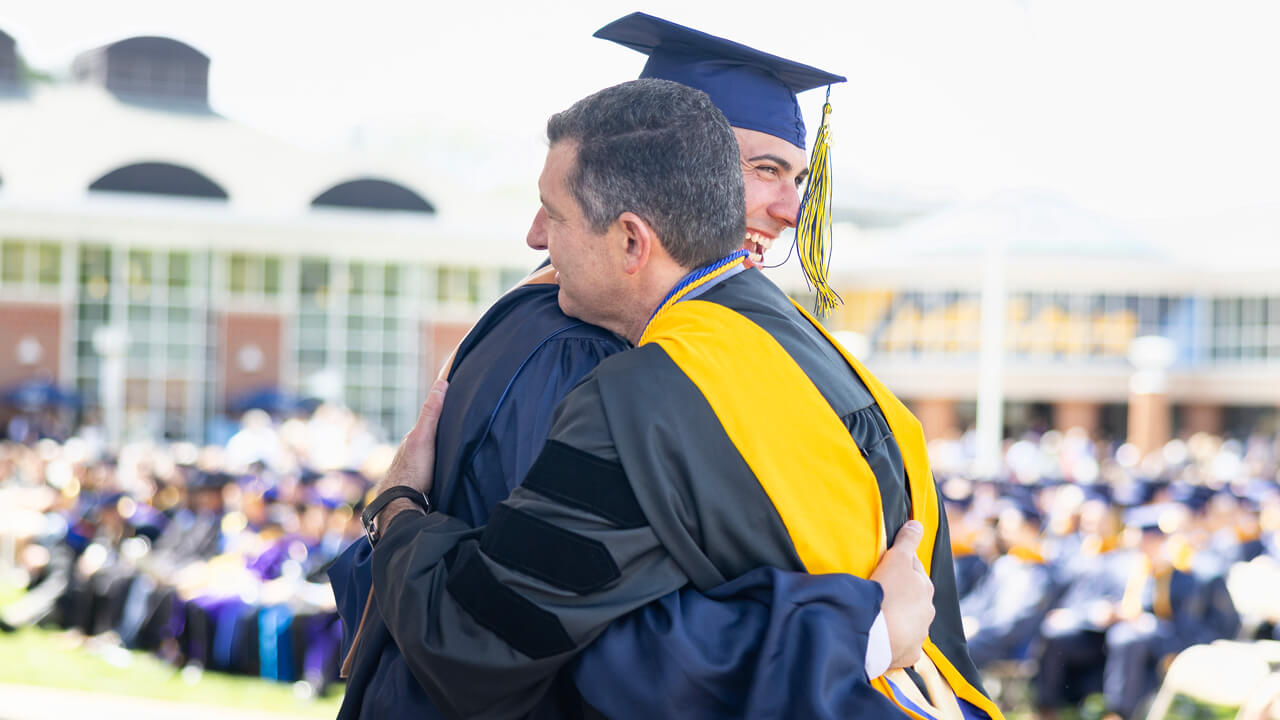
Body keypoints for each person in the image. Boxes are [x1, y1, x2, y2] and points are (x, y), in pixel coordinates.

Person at [330, 14, 941, 719]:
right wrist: (861, 629)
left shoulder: (712, 347)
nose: (790, 209)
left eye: (797, 176)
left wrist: (395, 514)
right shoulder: (592, 347)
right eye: (764, 169)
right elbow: (551, 631)